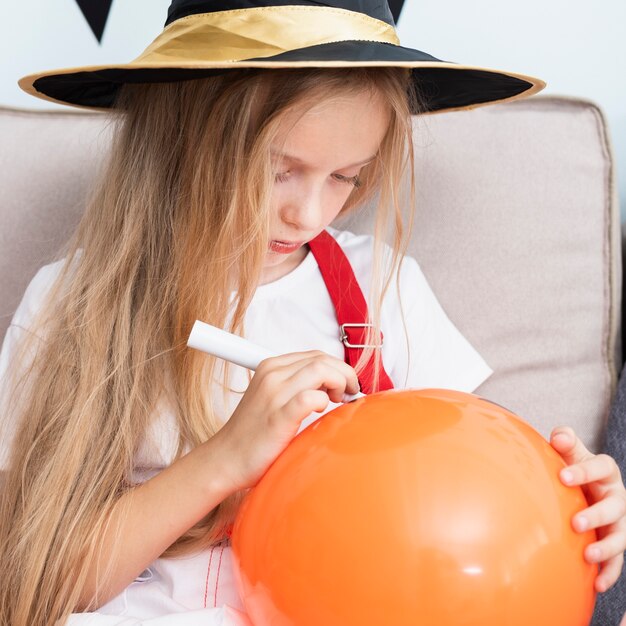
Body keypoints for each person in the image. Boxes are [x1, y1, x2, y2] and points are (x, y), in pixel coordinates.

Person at [0, 1, 624, 625]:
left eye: (345, 178)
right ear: (179, 143)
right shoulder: (71, 303)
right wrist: (222, 461)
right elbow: (35, 582)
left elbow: (475, 499)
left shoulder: (384, 291)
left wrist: (570, 511)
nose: (309, 214)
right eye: (280, 171)